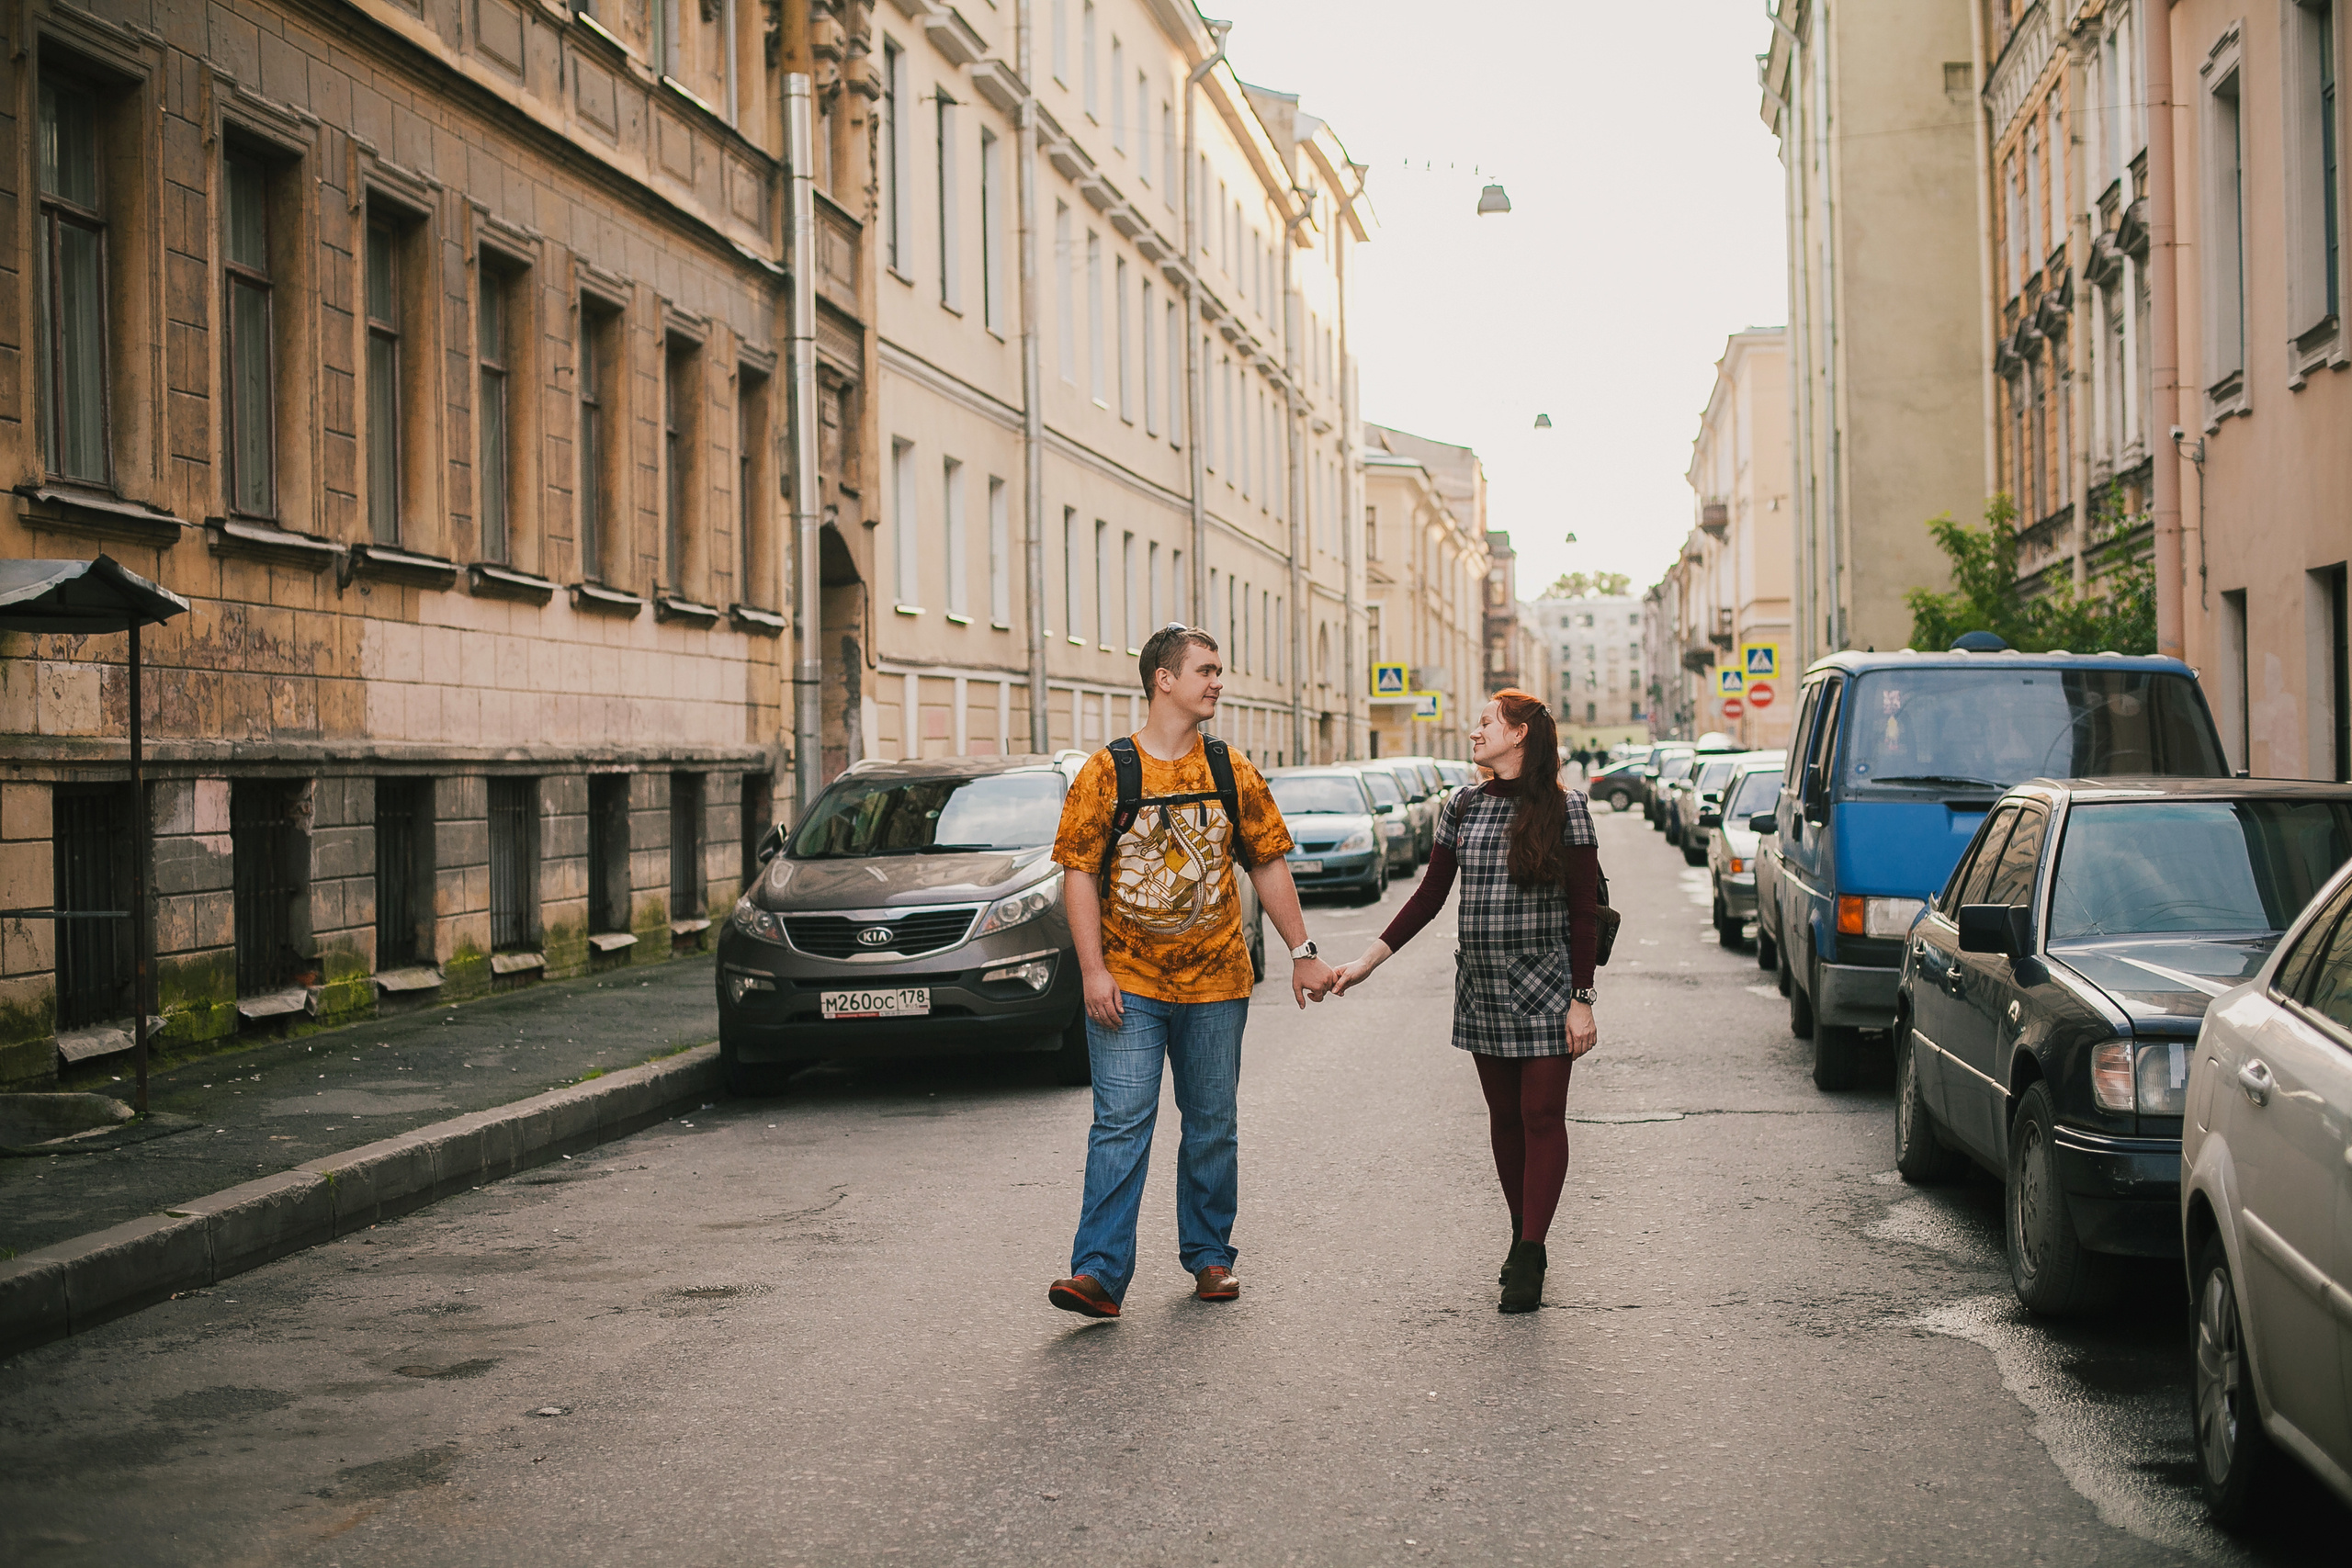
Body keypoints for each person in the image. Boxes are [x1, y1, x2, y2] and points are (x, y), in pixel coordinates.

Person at [1046, 624, 1339, 1320]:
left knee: (1211, 1122)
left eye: (1218, 671)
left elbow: (1267, 860)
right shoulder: (1107, 771)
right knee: (1120, 1122)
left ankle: (1209, 1254)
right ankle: (1097, 1272)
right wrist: (1092, 971)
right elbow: (1079, 874)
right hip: (1130, 981)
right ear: (1163, 679)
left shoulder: (1229, 769)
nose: (1217, 681)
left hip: (1217, 983)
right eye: (1205, 670)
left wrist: (1302, 954)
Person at [1331, 690, 1600, 1313]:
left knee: (1542, 1115)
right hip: (1480, 985)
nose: (1473, 731)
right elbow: (1429, 895)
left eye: (1485, 722)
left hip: (1547, 984)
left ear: (1519, 734)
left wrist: (1582, 999)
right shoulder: (1462, 805)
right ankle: (1521, 1228)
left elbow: (1583, 914)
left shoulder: (1568, 810)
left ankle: (1530, 1253)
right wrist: (1368, 960)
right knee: (1505, 1119)